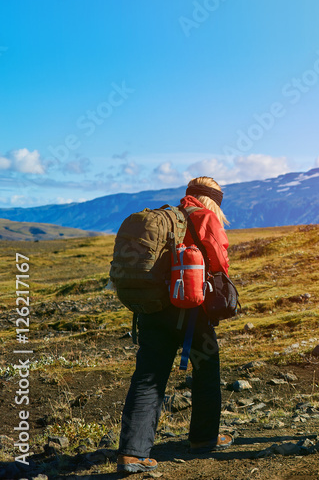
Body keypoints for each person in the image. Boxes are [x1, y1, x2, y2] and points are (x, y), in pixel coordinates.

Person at [117, 177, 233, 474]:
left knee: (148, 376)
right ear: (213, 201)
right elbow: (220, 262)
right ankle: (203, 439)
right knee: (207, 369)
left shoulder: (168, 217)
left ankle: (133, 453)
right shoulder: (204, 218)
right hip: (190, 311)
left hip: (153, 309)